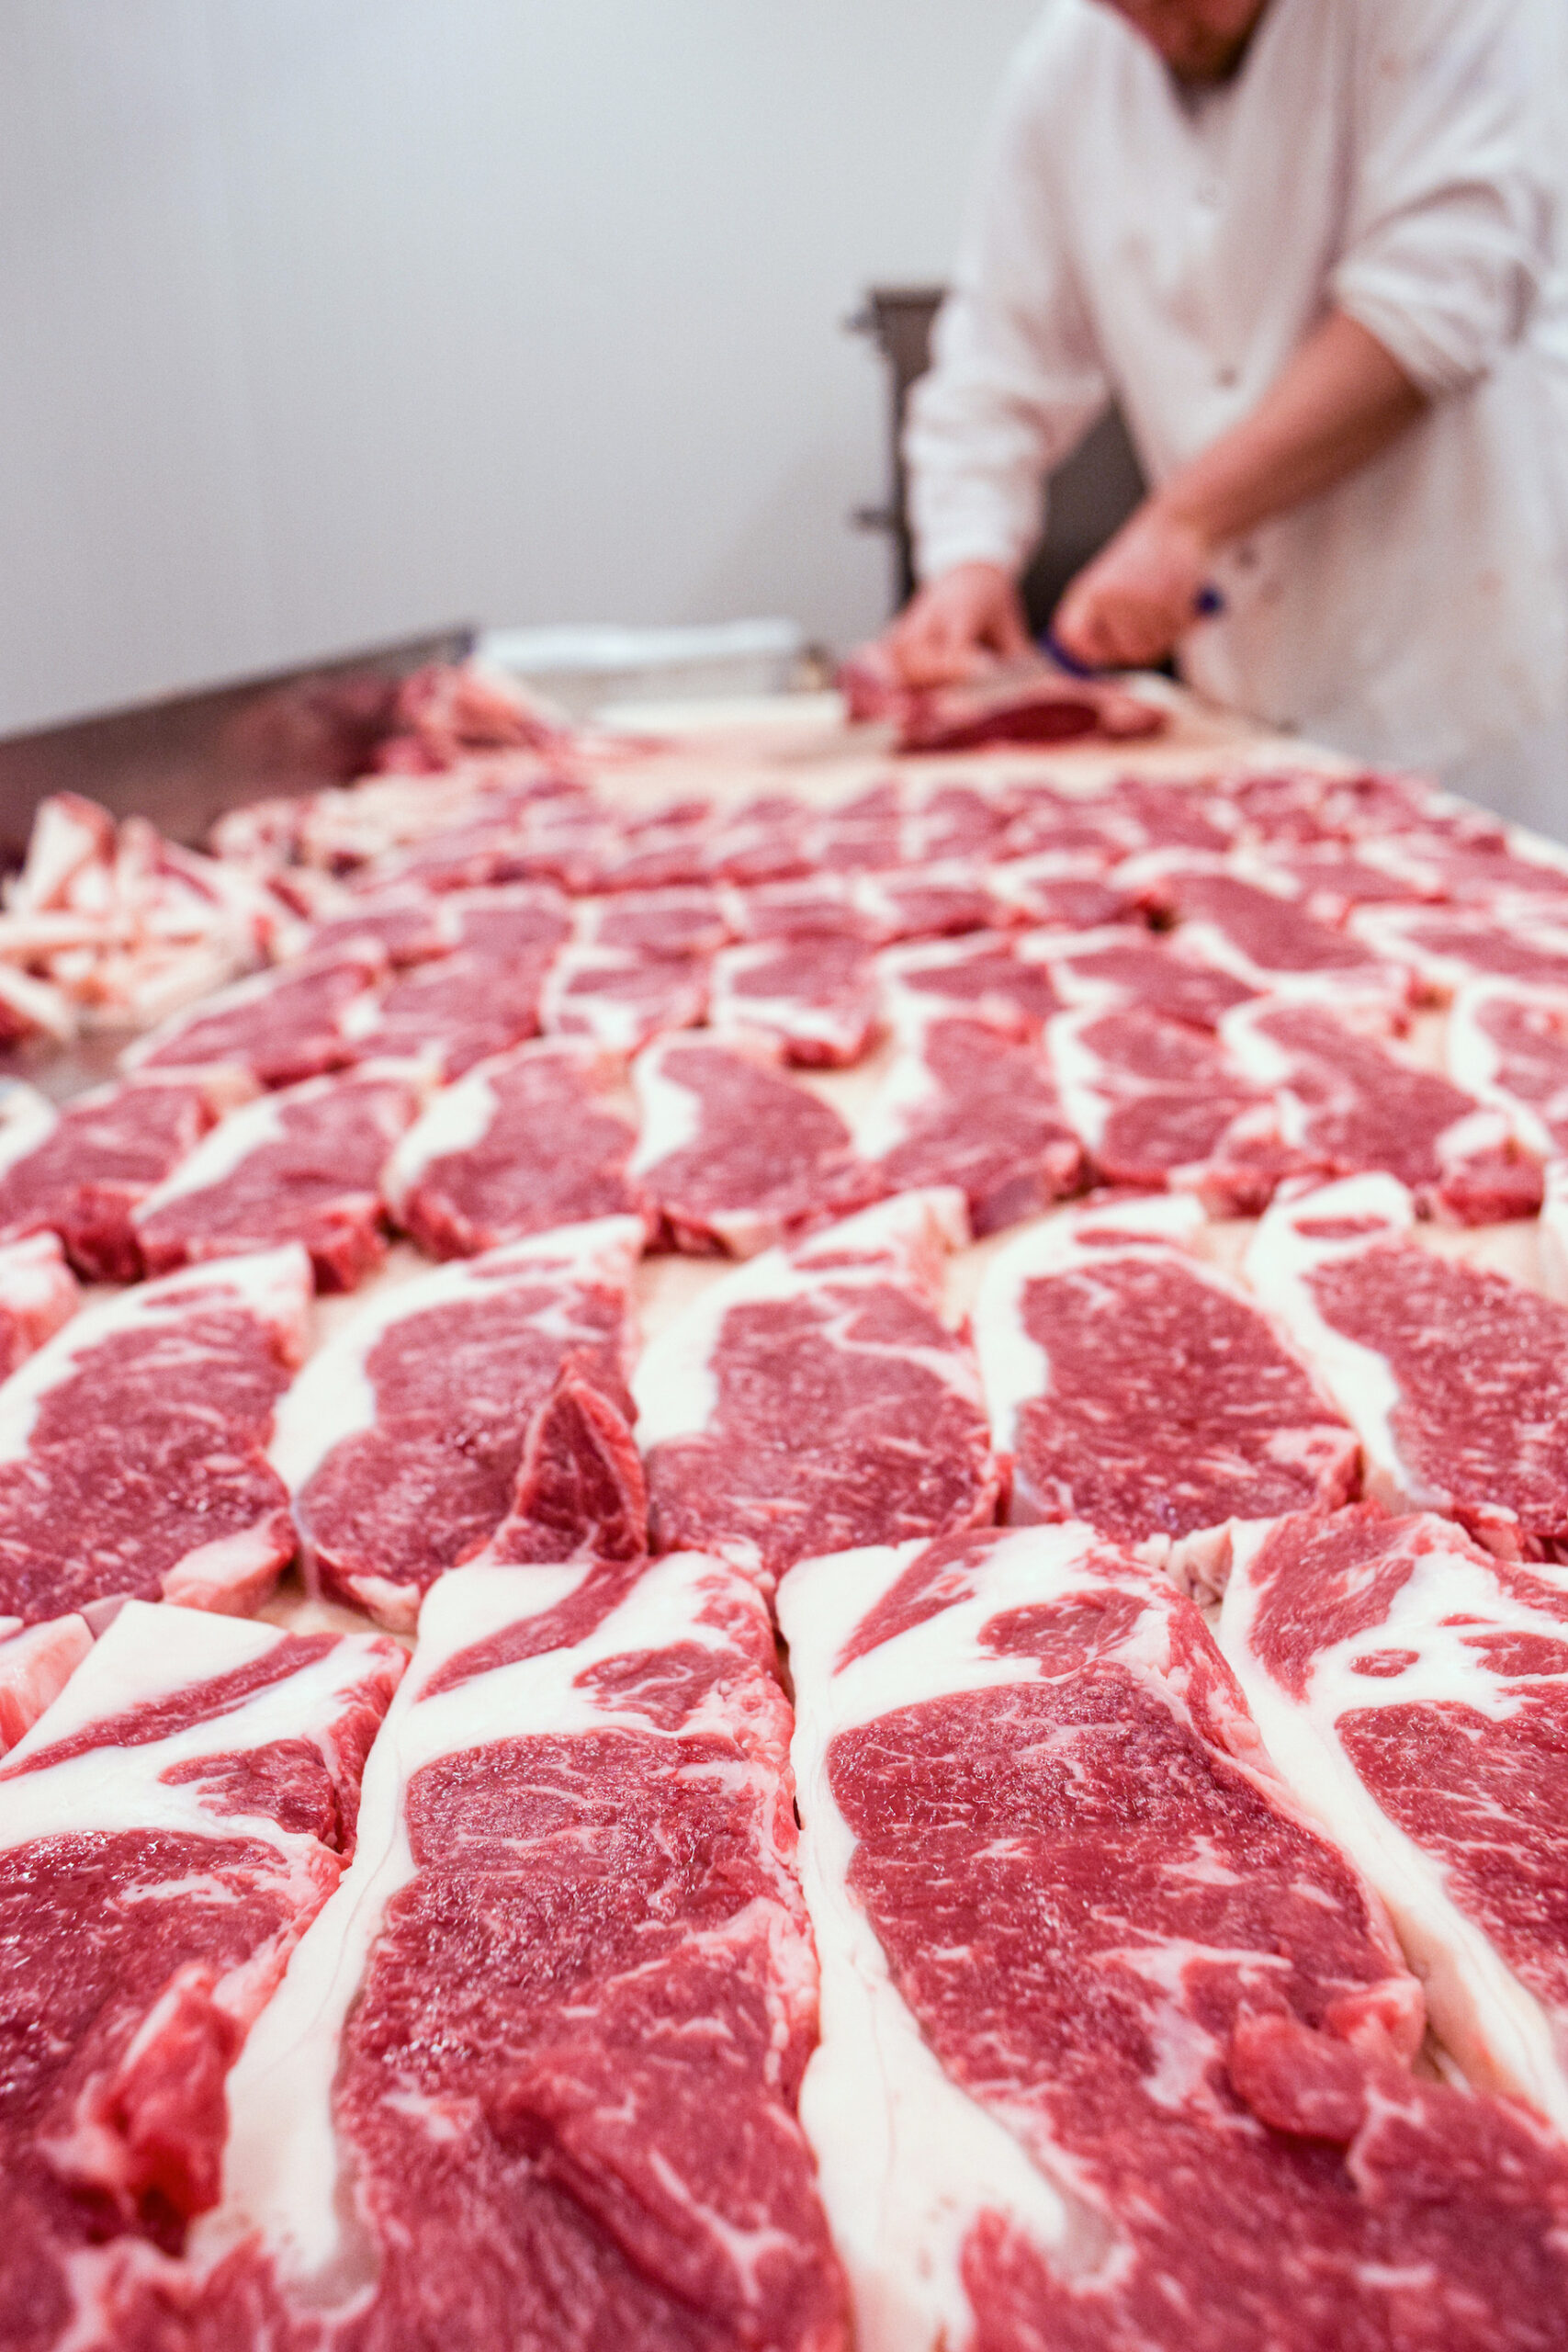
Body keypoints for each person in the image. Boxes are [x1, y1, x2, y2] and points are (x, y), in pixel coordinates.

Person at [886, 0, 1568, 828]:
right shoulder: (1066, 72)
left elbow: (1432, 303)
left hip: (1458, 694)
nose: (1145, 17)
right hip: (1243, 711)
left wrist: (1185, 521)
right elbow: (999, 360)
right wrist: (968, 556)